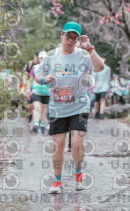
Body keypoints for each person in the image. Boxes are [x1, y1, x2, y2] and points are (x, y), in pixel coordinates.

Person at [36, 22, 104, 194]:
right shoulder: (51, 56)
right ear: (62, 35)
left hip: (79, 105)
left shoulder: (83, 55)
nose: (70, 41)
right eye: (68, 36)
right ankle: (57, 181)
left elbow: (99, 67)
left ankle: (78, 174)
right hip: (57, 107)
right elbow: (38, 75)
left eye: (74, 38)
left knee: (77, 142)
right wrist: (44, 80)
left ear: (78, 39)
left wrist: (89, 48)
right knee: (58, 144)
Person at [30, 51, 50, 133]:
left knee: (43, 111)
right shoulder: (35, 68)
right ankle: (36, 124)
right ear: (39, 59)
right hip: (36, 91)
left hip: (46, 93)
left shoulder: (50, 69)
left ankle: (42, 125)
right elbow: (30, 79)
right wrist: (28, 90)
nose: (43, 59)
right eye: (41, 58)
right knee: (37, 108)